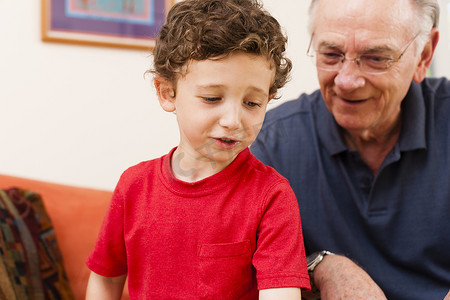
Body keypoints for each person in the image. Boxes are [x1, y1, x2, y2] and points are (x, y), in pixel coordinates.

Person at [85, 0, 311, 299]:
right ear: (168, 93)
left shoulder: (272, 197)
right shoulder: (134, 186)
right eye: (212, 98)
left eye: (252, 103)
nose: (233, 120)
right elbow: (105, 280)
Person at [251, 0, 450, 299]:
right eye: (331, 54)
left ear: (423, 56)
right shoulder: (272, 144)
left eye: (376, 58)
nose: (346, 81)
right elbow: (237, 269)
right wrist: (321, 266)